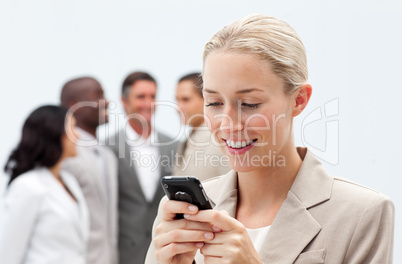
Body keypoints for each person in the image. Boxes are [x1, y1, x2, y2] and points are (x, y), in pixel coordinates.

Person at [145, 14, 395, 264]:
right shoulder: (181, 214)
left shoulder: (362, 213)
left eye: (250, 104)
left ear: (298, 100)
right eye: (214, 102)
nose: (228, 123)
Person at [106, 71, 179, 264]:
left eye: (153, 97)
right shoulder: (107, 148)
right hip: (124, 254)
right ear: (124, 100)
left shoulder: (173, 146)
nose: (148, 104)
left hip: (164, 251)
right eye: (141, 97)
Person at [0, 105, 89, 264]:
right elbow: (9, 256)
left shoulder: (70, 182)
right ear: (55, 134)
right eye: (73, 128)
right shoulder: (27, 187)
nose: (78, 135)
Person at [61, 77, 118, 264]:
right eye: (97, 95)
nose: (106, 101)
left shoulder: (108, 155)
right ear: (74, 106)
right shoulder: (65, 156)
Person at [174, 72, 230, 181]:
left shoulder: (221, 141)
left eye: (185, 99)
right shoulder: (186, 142)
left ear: (207, 99)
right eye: (177, 99)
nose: (178, 107)